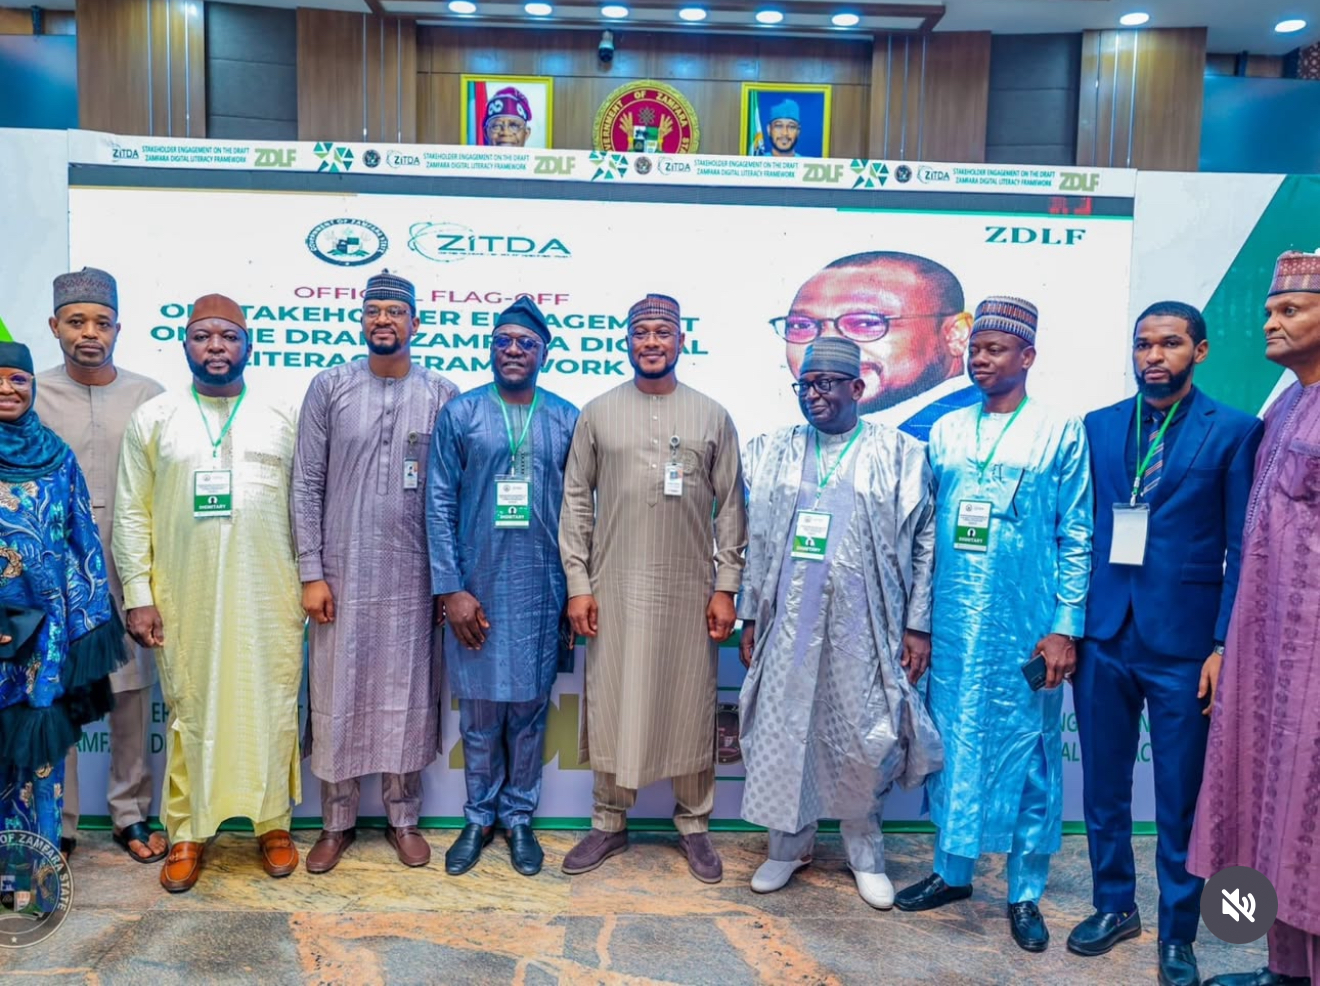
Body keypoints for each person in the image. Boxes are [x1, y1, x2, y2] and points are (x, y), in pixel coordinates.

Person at [1069, 301, 1262, 986]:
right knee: (1103, 788)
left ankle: (1179, 933)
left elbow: (1243, 547)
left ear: (1199, 352)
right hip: (1104, 634)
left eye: (1171, 343)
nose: (1154, 356)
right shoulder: (1098, 426)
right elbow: (1079, 531)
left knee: (1179, 797)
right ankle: (1114, 906)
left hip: (1185, 646)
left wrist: (1221, 644)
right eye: (1143, 344)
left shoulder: (1235, 431)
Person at [895, 296, 1093, 954]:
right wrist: (919, 624)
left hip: (1026, 627)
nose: (980, 360)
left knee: (1029, 756)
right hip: (954, 627)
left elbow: (1077, 534)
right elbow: (926, 534)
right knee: (951, 746)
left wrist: (1065, 627)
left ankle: (1024, 891)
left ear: (1027, 356)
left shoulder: (1059, 432)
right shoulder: (947, 431)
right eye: (975, 349)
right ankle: (952, 873)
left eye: (995, 349)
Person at [737, 336, 943, 908]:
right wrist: (751, 615)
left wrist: (918, 624)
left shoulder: (900, 453)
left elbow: (925, 543)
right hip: (789, 622)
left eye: (825, 384)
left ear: (858, 387)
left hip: (866, 621)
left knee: (863, 734)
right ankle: (787, 847)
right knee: (785, 729)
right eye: (805, 385)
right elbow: (756, 541)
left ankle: (865, 855)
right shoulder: (772, 450)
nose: (813, 395)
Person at [115, 294, 304, 893]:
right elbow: (131, 512)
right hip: (183, 593)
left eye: (228, 336)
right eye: (202, 337)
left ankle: (273, 824)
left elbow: (308, 507)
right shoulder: (155, 417)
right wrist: (139, 593)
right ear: (185, 345)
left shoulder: (282, 415)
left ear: (249, 345)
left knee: (271, 705)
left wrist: (312, 579)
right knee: (190, 709)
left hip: (271, 594)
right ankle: (187, 830)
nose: (216, 347)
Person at [558, 293, 746, 883]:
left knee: (691, 702)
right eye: (641, 332)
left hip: (690, 589)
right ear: (627, 342)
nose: (652, 342)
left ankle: (694, 826)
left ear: (682, 340)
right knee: (614, 699)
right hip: (614, 587)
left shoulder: (712, 416)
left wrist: (727, 585)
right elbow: (575, 504)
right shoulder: (598, 413)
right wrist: (578, 583)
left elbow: (732, 509)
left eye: (663, 332)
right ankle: (608, 822)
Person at [292, 271, 456, 874]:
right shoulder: (330, 386)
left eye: (395, 311)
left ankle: (403, 818)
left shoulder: (442, 394)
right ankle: (335, 822)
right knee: (339, 691)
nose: (383, 320)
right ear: (361, 320)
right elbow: (305, 482)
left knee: (406, 693)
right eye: (374, 310)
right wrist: (312, 571)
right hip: (342, 574)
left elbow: (452, 495)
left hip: (414, 578)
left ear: (416, 322)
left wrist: (446, 579)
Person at [1190, 250, 1320, 986]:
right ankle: (1284, 969)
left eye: (1290, 310)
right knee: (1272, 802)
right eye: (1269, 310)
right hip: (1267, 651)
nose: (1270, 322)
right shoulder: (1286, 406)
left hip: (1314, 660)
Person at [428, 297, 579, 878]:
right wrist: (451, 589)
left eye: (526, 343)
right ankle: (477, 818)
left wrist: (575, 589)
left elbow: (581, 510)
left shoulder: (566, 418)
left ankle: (518, 818)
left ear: (544, 353)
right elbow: (438, 503)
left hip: (542, 588)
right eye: (504, 341)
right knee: (480, 715)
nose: (514, 350)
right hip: (477, 587)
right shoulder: (461, 413)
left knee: (529, 712)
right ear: (490, 348)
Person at [35, 267, 167, 865]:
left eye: (102, 323)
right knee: (57, 693)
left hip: (129, 566)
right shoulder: (31, 395)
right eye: (76, 322)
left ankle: (130, 813)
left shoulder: (148, 396)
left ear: (118, 328)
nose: (90, 333)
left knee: (131, 695)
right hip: (53, 572)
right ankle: (57, 820)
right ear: (55, 326)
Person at [0, 341, 125, 854]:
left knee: (38, 756)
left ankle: (33, 867)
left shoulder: (57, 457)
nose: (7, 389)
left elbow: (81, 544)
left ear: (33, 386)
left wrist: (84, 627)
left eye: (18, 379)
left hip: (41, 638)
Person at [773, 251, 977, 440]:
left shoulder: (971, 438)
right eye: (801, 325)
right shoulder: (789, 445)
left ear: (955, 335)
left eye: (865, 323)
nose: (828, 346)